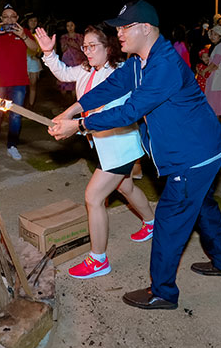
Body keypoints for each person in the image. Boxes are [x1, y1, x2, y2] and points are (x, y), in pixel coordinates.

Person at [49, 0, 221, 311]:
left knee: (169, 220)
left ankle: (163, 292)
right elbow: (110, 88)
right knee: (203, 206)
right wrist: (71, 110)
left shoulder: (163, 65)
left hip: (194, 155)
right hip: (203, 150)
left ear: (145, 29)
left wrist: (80, 125)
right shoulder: (139, 61)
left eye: (124, 27)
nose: (119, 33)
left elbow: (130, 111)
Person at [35, 24, 155, 279]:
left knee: (93, 197)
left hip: (119, 144)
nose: (87, 51)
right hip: (103, 144)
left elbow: (110, 112)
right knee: (125, 187)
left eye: (93, 46)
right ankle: (152, 223)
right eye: (85, 46)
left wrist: (74, 126)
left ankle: (98, 259)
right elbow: (63, 73)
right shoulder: (85, 70)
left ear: (108, 47)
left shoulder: (119, 72)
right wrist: (48, 53)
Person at [0, 4, 39, 160]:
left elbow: (36, 48)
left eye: (12, 16)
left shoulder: (24, 32)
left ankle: (12, 146)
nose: (9, 19)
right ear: (1, 19)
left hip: (19, 82)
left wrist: (23, 36)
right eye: (5, 16)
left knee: (15, 115)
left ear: (17, 18)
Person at [58, 21, 85, 104]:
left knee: (76, 84)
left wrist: (74, 44)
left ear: (75, 26)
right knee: (64, 83)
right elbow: (62, 50)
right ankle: (64, 103)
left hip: (77, 61)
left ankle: (74, 103)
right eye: (68, 26)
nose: (70, 28)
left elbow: (82, 49)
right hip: (67, 61)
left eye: (71, 25)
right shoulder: (63, 37)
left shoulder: (80, 36)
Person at [205, 25, 221, 117]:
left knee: (214, 102)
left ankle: (214, 127)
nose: (212, 36)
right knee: (213, 101)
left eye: (215, 34)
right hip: (213, 77)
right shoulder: (216, 46)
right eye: (212, 34)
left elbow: (215, 62)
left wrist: (204, 71)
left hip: (216, 78)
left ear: (220, 37)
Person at [24, 14, 42, 108]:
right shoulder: (23, 33)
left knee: (33, 84)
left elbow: (41, 50)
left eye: (35, 21)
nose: (33, 23)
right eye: (31, 20)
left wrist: (38, 55)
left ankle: (31, 105)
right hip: (23, 61)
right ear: (28, 22)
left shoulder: (38, 35)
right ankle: (22, 104)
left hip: (34, 62)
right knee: (22, 85)